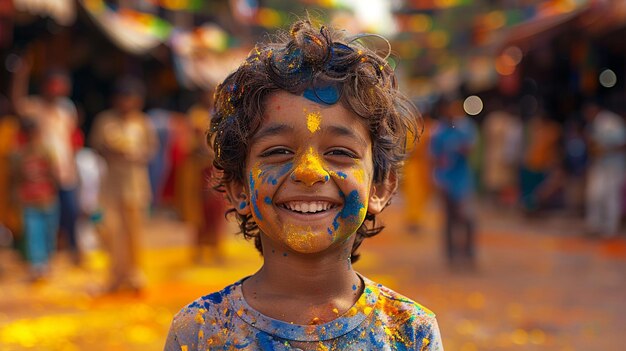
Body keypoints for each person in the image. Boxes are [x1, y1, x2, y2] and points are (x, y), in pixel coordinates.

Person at [164, 19, 444, 350]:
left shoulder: (410, 332)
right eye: (278, 151)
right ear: (239, 187)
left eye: (339, 152)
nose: (309, 172)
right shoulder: (200, 331)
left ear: (380, 188)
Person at [89, 76, 158, 293]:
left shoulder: (143, 122)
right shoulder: (105, 120)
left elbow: (151, 150)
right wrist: (114, 152)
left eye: (131, 99)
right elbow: (96, 146)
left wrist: (136, 156)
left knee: (134, 232)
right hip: (111, 187)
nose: (126, 103)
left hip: (136, 186)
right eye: (122, 98)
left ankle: (135, 275)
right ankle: (115, 275)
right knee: (112, 231)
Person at [12, 58, 82, 264]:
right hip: (42, 174)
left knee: (69, 212)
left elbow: (70, 139)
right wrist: (21, 76)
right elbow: (18, 104)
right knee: (39, 216)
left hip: (64, 169)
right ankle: (38, 258)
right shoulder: (35, 107)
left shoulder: (67, 110)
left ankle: (71, 250)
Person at [179, 89, 226, 264]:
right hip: (199, 170)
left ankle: (216, 249)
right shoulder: (196, 116)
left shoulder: (221, 115)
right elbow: (189, 145)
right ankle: (198, 250)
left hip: (215, 168)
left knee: (217, 210)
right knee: (199, 212)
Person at [430, 97, 478, 269]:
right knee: (449, 220)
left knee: (468, 218)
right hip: (445, 181)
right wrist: (436, 179)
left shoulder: (465, 128)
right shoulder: (439, 131)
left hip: (463, 182)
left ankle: (469, 253)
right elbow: (434, 158)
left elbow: (471, 148)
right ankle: (451, 257)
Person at [10, 118, 59, 281]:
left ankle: (46, 261)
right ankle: (38, 266)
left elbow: (53, 174)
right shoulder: (19, 155)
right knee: (33, 233)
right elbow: (16, 179)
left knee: (48, 233)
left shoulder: (46, 151)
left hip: (47, 199)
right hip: (29, 200)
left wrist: (52, 192)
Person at [583, 101, 626, 237]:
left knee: (610, 197)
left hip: (614, 166)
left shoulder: (611, 122)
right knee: (594, 194)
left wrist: (605, 150)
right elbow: (594, 146)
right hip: (600, 165)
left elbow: (622, 144)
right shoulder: (596, 123)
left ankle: (610, 229)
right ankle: (595, 226)